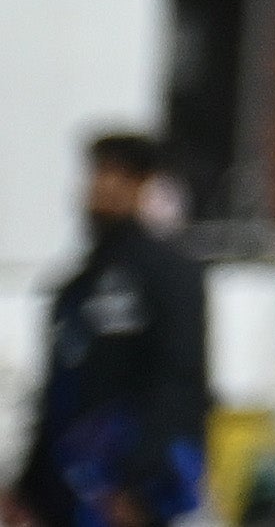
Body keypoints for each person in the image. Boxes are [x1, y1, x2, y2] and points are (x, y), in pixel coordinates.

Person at [21, 131, 202, 527]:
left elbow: (180, 383)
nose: (101, 186)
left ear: (141, 185)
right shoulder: (74, 287)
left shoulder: (170, 274)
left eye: (117, 174)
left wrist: (140, 486)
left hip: (128, 490)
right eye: (97, 173)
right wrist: (29, 489)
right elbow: (57, 395)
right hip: (68, 489)